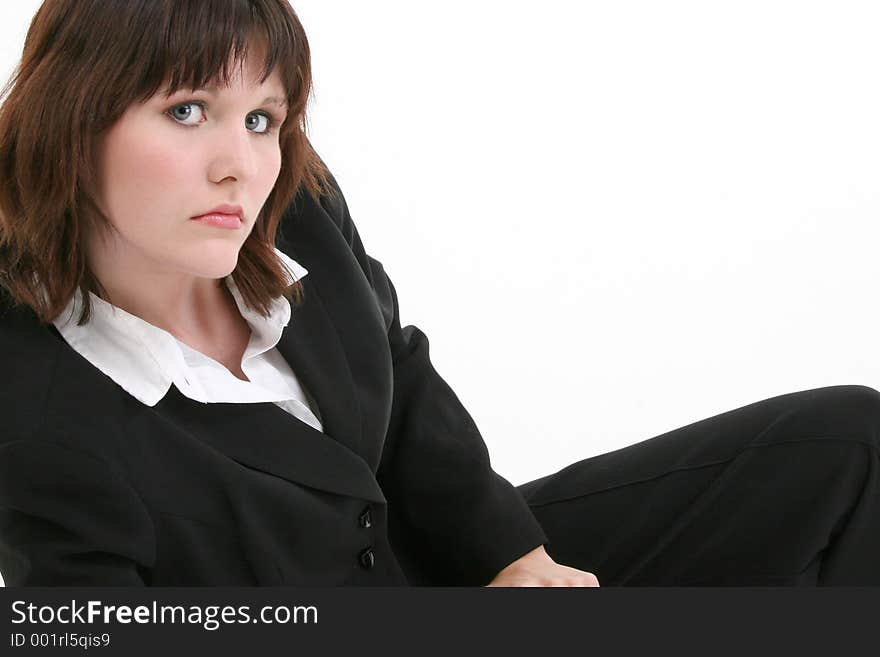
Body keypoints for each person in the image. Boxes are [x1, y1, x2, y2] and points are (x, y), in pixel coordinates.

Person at [0, 0, 877, 588]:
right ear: (71, 117)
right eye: (188, 110)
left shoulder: (289, 205)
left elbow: (398, 368)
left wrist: (514, 555)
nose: (241, 162)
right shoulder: (35, 406)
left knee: (847, 443)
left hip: (439, 566)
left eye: (262, 116)